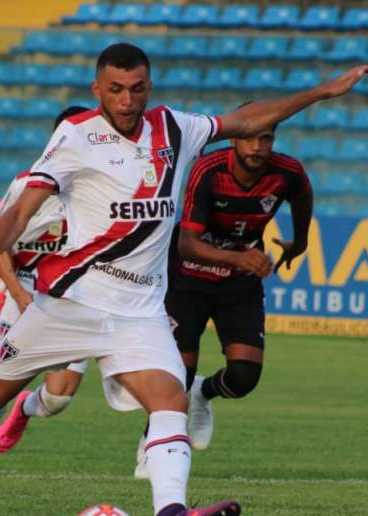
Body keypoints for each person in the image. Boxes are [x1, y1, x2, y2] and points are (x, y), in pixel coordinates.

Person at [0, 42, 368, 516]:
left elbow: (245, 120)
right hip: (72, 304)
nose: (127, 101)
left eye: (137, 88)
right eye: (116, 90)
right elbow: (21, 210)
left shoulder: (175, 128)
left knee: (170, 400)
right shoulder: (75, 137)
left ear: (149, 86)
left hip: (140, 312)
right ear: (98, 90)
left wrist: (323, 92)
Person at [134, 107, 314, 478]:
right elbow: (186, 245)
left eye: (266, 138)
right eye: (250, 137)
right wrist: (238, 258)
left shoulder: (287, 172)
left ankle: (205, 394)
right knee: (176, 378)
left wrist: (300, 242)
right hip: (189, 279)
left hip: (238, 281)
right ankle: (150, 448)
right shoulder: (209, 171)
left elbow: (302, 194)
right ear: (235, 138)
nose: (257, 146)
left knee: (245, 376)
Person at [0, 105, 92, 477]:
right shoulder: (27, 185)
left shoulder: (103, 193)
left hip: (74, 298)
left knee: (59, 397)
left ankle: (24, 409)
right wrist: (18, 295)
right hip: (28, 290)